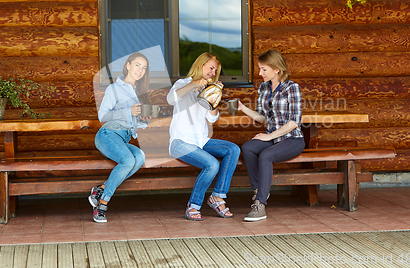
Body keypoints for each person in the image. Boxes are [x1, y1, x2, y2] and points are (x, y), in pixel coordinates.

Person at [167, 52, 240, 221]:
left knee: (232, 149)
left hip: (201, 141)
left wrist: (214, 96)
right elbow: (171, 99)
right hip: (180, 142)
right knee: (212, 164)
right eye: (211, 68)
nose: (213, 73)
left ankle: (218, 196)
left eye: (215, 70)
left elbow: (212, 118)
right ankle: (193, 206)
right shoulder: (183, 83)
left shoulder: (208, 89)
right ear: (200, 65)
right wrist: (194, 84)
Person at [238, 49, 304, 222]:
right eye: (259, 69)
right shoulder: (264, 88)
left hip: (292, 139)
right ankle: (259, 192)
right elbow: (263, 118)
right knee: (248, 148)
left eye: (264, 69)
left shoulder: (292, 88)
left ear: (277, 69)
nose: (260, 73)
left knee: (266, 155)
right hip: (273, 137)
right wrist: (243, 109)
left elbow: (294, 122)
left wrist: (268, 137)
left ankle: (260, 205)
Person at [88, 52, 151, 223]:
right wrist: (128, 111)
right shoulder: (114, 89)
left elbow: (133, 123)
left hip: (123, 138)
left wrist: (144, 119)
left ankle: (101, 188)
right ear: (128, 65)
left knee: (139, 157)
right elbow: (103, 116)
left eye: (144, 68)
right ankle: (102, 204)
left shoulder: (138, 92)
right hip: (107, 134)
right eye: (138, 65)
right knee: (128, 160)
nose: (140, 70)